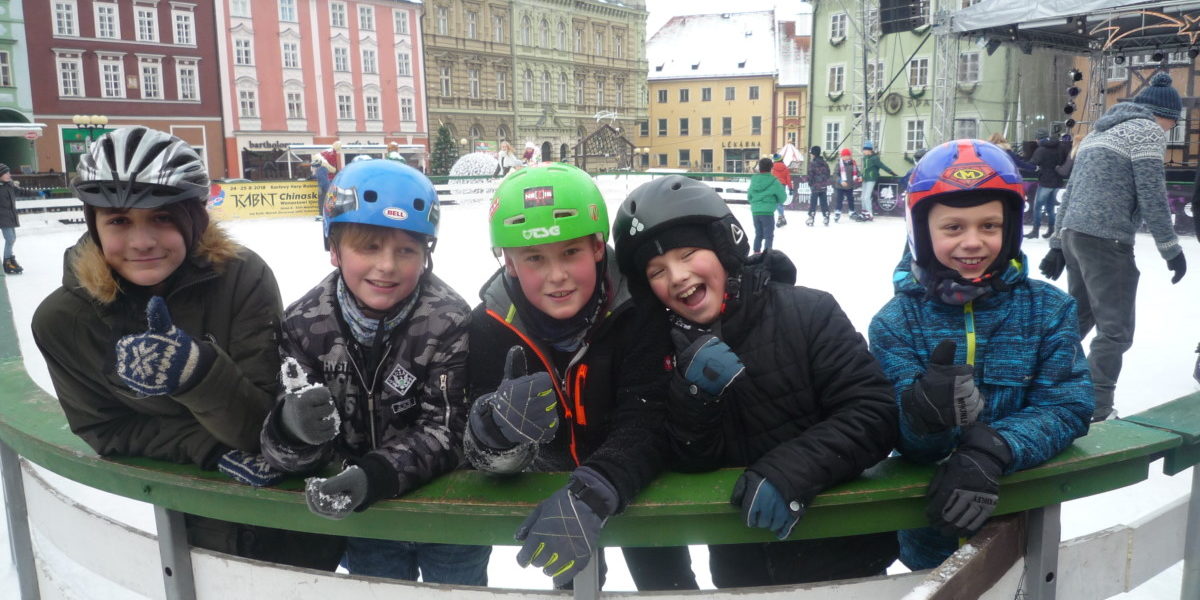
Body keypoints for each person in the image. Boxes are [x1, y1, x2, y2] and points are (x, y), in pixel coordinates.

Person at [31, 126, 344, 570]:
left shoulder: (241, 278)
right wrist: (207, 448)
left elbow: (265, 423)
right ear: (94, 225)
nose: (142, 241)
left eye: (162, 218)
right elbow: (106, 429)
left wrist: (198, 372)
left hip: (297, 520)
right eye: (119, 221)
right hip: (193, 531)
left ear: (193, 219)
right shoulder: (65, 321)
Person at [612, 176, 900, 587]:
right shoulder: (663, 353)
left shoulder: (809, 313)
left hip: (844, 559)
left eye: (688, 254)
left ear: (724, 246)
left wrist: (791, 472)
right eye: (657, 271)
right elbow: (689, 462)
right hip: (742, 570)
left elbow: (874, 413)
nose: (676, 276)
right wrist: (695, 398)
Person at [464, 164, 697, 591]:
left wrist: (595, 489)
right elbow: (479, 449)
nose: (557, 276)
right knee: (573, 582)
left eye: (570, 252)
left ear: (596, 247)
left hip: (636, 475)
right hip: (548, 484)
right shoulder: (490, 325)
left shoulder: (637, 309)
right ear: (509, 263)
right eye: (535, 258)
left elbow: (648, 415)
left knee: (666, 577)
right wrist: (496, 431)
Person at [257, 159, 491, 583]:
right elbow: (284, 453)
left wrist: (375, 475)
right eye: (369, 247)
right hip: (366, 520)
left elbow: (448, 429)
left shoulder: (447, 319)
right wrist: (291, 430)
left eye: (406, 250)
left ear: (426, 254)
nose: (387, 265)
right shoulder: (304, 324)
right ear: (334, 249)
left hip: (446, 514)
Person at [870, 138, 1093, 569]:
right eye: (953, 228)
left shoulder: (1048, 310)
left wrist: (994, 448)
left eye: (989, 226)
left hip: (1020, 529)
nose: (972, 242)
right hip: (928, 536)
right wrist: (922, 414)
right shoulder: (896, 323)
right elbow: (895, 434)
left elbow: (1067, 405)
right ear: (922, 232)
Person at [1041, 71, 1187, 422]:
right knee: (1115, 330)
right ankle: (1096, 407)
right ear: (1165, 115)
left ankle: (1044, 386)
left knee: (1077, 320)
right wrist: (1170, 248)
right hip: (1107, 239)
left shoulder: (1098, 132)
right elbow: (1152, 192)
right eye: (1173, 123)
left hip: (1076, 235)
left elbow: (1071, 189)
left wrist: (1058, 244)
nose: (1171, 130)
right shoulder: (1147, 130)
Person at [0, 163, 40, 274]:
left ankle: (10, 258)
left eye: (8, 172)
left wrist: (37, 192)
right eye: (6, 173)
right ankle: (7, 262)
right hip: (2, 218)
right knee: (10, 239)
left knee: (12, 238)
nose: (9, 174)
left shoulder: (10, 185)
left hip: (10, 217)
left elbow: (22, 191)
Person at [1026, 129, 1067, 239]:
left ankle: (1035, 231)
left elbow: (1033, 164)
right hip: (1058, 181)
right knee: (1050, 207)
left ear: (1038, 139)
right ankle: (1051, 230)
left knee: (1038, 207)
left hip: (1045, 181)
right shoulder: (1060, 147)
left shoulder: (1041, 149)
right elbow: (1064, 161)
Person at [748, 157, 788, 253]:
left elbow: (749, 196)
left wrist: (756, 203)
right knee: (768, 236)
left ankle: (756, 254)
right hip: (767, 213)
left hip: (755, 212)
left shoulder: (754, 180)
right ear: (771, 168)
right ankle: (767, 255)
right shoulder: (774, 181)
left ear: (759, 167)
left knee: (758, 234)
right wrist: (776, 200)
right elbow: (783, 198)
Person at [858, 140, 896, 222]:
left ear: (869, 150)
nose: (863, 151)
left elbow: (882, 166)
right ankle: (864, 212)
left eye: (864, 150)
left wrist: (891, 172)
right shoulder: (865, 158)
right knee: (862, 197)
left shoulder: (875, 158)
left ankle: (870, 214)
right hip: (865, 179)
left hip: (871, 179)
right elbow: (864, 169)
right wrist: (860, 176)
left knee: (867, 196)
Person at [831, 148, 860, 222]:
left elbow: (857, 172)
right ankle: (837, 212)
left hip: (849, 185)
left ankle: (851, 211)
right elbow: (835, 175)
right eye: (844, 156)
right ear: (842, 156)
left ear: (850, 156)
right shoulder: (839, 164)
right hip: (840, 186)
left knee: (851, 199)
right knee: (839, 199)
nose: (846, 157)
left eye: (847, 155)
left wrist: (859, 177)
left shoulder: (853, 163)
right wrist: (840, 181)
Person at [806, 145, 832, 226]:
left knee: (813, 202)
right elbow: (828, 173)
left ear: (814, 154)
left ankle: (811, 216)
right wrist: (824, 181)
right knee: (824, 202)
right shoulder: (824, 163)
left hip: (815, 186)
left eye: (811, 153)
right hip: (823, 186)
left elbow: (810, 175)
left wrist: (810, 183)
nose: (810, 155)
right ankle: (826, 215)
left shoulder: (812, 163)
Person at [770, 153, 792, 227]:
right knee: (779, 202)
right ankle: (782, 218)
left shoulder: (772, 168)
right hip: (782, 186)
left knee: (776, 203)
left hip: (774, 185)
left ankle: (781, 217)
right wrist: (790, 188)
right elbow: (788, 178)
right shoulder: (785, 168)